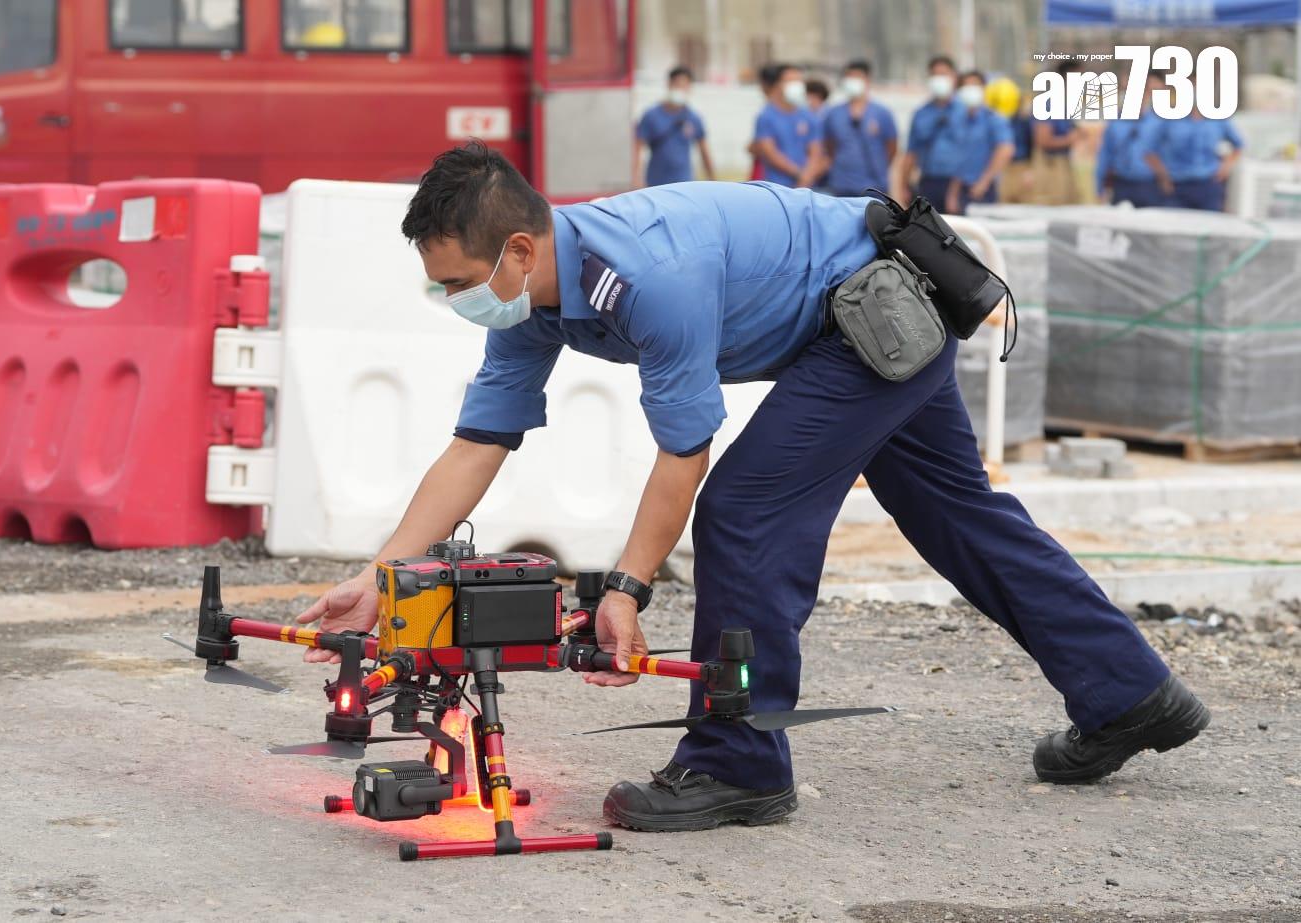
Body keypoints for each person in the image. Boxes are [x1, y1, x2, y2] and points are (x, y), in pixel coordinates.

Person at [296, 141, 1211, 832]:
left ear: (519, 250)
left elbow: (685, 455)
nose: (456, 302)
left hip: (874, 317)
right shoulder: (532, 300)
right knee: (959, 515)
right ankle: (1128, 692)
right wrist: (382, 577)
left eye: (457, 283)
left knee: (745, 510)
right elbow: (475, 446)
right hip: (866, 314)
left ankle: (739, 759)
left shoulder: (647, 276)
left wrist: (625, 590)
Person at [929, 70, 1014, 215]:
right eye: (966, 86)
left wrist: (984, 182)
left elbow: (1005, 150)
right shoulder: (960, 121)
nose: (970, 89)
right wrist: (952, 194)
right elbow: (960, 160)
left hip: (983, 190)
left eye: (975, 85)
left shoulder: (993, 119)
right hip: (961, 189)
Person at [819, 59, 898, 197]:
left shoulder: (881, 113)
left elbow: (891, 147)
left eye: (857, 77)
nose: (852, 81)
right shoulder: (834, 113)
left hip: (874, 187)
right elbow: (829, 146)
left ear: (867, 80)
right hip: (842, 185)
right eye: (849, 77)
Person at [1146, 106, 1244, 211]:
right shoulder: (1169, 120)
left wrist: (1226, 167)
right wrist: (1162, 176)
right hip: (1176, 186)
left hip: (1208, 185)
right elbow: (1150, 150)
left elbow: (1239, 145)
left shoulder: (1218, 119)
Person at [1096, 69, 1170, 207]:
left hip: (1150, 185)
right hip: (1121, 184)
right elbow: (1105, 155)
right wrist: (1100, 187)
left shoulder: (1160, 122)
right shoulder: (1115, 122)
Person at [633, 66, 715, 188]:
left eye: (684, 86)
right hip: (656, 183)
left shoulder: (693, 118)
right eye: (677, 85)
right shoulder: (651, 115)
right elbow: (637, 148)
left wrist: (712, 180)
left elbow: (704, 150)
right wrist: (636, 179)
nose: (680, 90)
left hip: (684, 183)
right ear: (669, 85)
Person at [896, 54, 960, 205]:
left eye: (943, 74)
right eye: (935, 75)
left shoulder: (966, 111)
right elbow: (911, 152)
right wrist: (903, 185)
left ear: (954, 77)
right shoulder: (921, 114)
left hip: (959, 184)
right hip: (928, 181)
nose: (939, 79)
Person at [750, 62, 823, 189]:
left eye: (799, 81)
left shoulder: (808, 116)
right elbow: (769, 152)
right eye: (790, 80)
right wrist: (798, 174)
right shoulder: (766, 116)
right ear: (777, 85)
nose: (797, 85)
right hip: (776, 186)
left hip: (806, 187)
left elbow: (815, 151)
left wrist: (807, 177)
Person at [1030, 61, 1082, 205]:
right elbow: (1042, 140)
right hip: (1050, 167)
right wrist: (1069, 139)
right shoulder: (1048, 104)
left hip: (1064, 164)